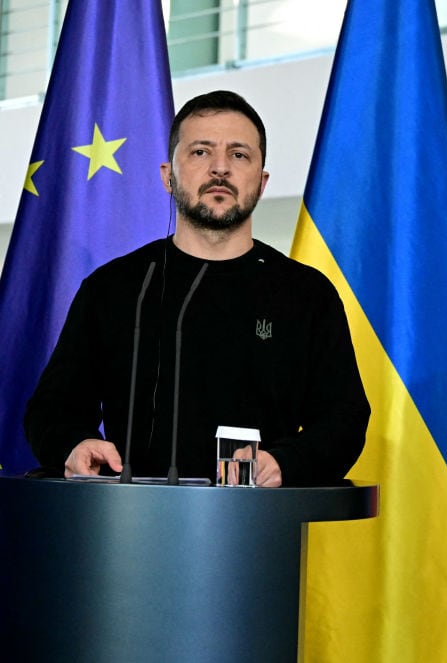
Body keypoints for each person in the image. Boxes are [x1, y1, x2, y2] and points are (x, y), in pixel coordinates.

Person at [24, 90, 369, 487]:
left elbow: (344, 421)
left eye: (239, 155)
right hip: (123, 530)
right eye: (201, 152)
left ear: (262, 181)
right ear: (167, 176)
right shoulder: (113, 288)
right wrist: (75, 444)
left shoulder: (307, 295)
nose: (220, 168)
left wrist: (285, 462)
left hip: (263, 530)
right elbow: (50, 410)